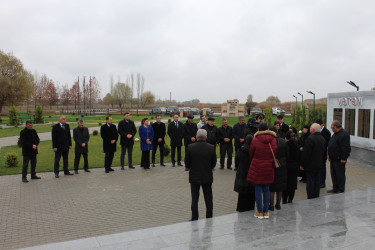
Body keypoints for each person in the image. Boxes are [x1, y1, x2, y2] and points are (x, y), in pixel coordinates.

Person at [247, 123, 277, 220]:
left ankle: (259, 212)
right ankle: (266, 211)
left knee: (258, 189)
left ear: (259, 129)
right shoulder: (273, 139)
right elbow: (275, 152)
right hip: (269, 167)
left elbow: (251, 153)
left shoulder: (255, 139)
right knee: (267, 189)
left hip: (257, 166)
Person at [185, 129, 217, 221]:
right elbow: (213, 163)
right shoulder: (211, 147)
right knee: (208, 198)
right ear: (206, 137)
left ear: (196, 137)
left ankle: (194, 217)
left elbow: (187, 163)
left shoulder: (190, 147)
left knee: (194, 199)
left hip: (194, 177)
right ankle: (209, 216)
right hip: (207, 176)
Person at [300, 123, 326, 199]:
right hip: (318, 164)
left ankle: (311, 195)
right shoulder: (322, 138)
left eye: (311, 127)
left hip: (310, 164)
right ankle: (316, 194)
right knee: (317, 179)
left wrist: (302, 164)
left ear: (313, 129)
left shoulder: (310, 139)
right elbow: (324, 152)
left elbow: (306, 153)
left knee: (310, 181)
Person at [327, 120, 351, 193]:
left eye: (332, 126)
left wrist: (344, 158)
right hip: (333, 159)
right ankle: (335, 188)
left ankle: (340, 189)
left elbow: (346, 148)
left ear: (336, 126)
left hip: (339, 159)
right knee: (333, 174)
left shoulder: (344, 134)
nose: (331, 127)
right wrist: (329, 155)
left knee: (340, 175)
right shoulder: (335, 134)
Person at [234, 134, 255, 212]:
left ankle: (241, 207)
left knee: (242, 193)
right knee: (252, 192)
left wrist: (238, 167)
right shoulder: (254, 150)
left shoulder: (241, 150)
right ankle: (251, 206)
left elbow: (237, 160)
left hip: (242, 171)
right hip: (251, 171)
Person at [268, 126, 287, 211]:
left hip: (272, 165)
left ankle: (271, 205)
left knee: (272, 187)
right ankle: (278, 204)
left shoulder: (270, 142)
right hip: (282, 165)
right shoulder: (283, 141)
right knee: (280, 187)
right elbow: (287, 154)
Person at [282, 131, 300, 203]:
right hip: (294, 166)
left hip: (287, 167)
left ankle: (284, 200)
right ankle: (290, 200)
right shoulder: (296, 146)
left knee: (286, 185)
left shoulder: (285, 145)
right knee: (292, 185)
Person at [315, 119, 331, 188]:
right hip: (316, 153)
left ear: (321, 125)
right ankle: (318, 181)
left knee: (322, 168)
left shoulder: (326, 132)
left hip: (323, 153)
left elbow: (327, 143)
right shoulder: (316, 131)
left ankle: (322, 182)